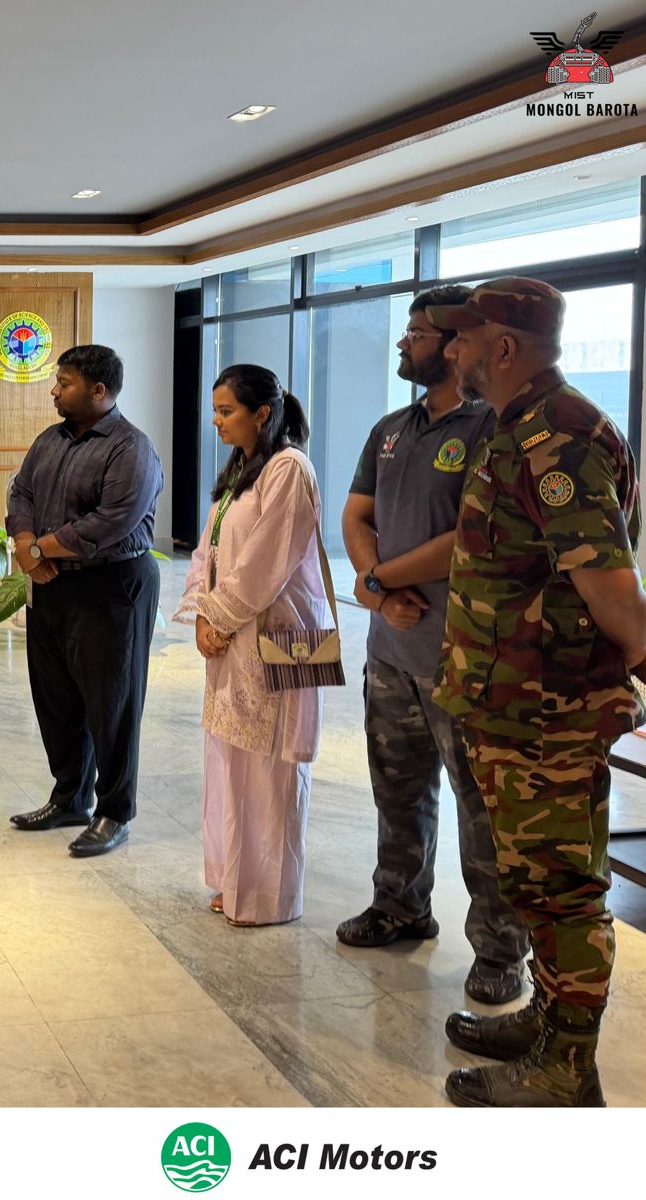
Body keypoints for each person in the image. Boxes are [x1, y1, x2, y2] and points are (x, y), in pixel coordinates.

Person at [429, 278, 646, 1108]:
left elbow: (612, 591)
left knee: (560, 890)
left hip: (549, 712)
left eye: (463, 337)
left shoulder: (562, 437)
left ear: (504, 347)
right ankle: (550, 1023)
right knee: (532, 881)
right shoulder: (519, 425)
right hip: (508, 703)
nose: (453, 350)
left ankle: (568, 1067)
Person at [338, 284, 528, 1003]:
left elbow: (470, 537)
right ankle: (400, 904)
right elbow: (356, 515)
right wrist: (377, 587)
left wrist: (380, 580)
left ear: (455, 345)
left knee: (482, 814)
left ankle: (500, 950)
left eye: (416, 332)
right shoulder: (392, 427)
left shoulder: (492, 429)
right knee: (397, 791)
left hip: (465, 657)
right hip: (392, 653)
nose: (402, 342)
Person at [176, 365, 326, 925]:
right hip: (232, 639)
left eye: (226, 411)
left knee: (271, 771)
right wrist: (202, 614)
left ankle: (267, 897)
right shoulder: (241, 469)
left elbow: (268, 562)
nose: (216, 421)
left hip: (279, 638)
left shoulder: (289, 469)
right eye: (214, 411)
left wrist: (219, 617)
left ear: (262, 414)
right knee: (231, 764)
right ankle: (235, 880)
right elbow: (207, 551)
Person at [6, 343, 163, 858]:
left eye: (65, 382)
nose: (54, 390)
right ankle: (70, 797)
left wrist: (38, 549)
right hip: (51, 584)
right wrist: (26, 546)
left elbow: (111, 520)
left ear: (98, 390)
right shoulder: (49, 440)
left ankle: (114, 812)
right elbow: (20, 493)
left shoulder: (130, 448)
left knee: (111, 703)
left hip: (110, 586)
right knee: (56, 698)